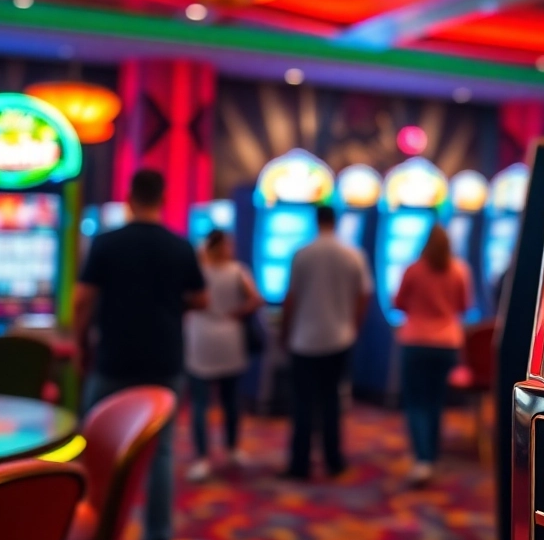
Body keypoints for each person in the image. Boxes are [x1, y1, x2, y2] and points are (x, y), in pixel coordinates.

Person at [74, 170, 206, 540]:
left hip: (113, 357)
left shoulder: (107, 243)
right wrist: (168, 307)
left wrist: (82, 343)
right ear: (162, 197)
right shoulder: (180, 246)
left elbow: (82, 301)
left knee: (92, 448)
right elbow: (200, 299)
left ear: (129, 197)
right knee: (161, 454)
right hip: (164, 360)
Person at [279, 204, 372, 479]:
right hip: (339, 338)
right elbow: (365, 294)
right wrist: (353, 326)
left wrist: (285, 333)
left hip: (304, 340)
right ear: (336, 221)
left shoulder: (302, 253)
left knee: (303, 404)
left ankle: (300, 464)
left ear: (316, 221)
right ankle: (334, 461)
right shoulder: (353, 254)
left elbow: (291, 298)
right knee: (332, 401)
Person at [393, 224, 471, 485]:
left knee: (416, 403)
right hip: (447, 343)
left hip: (415, 341)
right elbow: (464, 305)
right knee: (435, 402)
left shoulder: (413, 270)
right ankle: (432, 457)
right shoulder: (460, 269)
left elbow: (398, 303)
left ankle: (422, 459)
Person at [185, 229, 263, 482]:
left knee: (200, 403)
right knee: (230, 400)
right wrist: (236, 313)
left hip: (200, 336)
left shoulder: (199, 271)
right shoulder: (238, 271)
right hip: (229, 336)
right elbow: (256, 299)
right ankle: (231, 449)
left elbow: (186, 300)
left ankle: (202, 457)